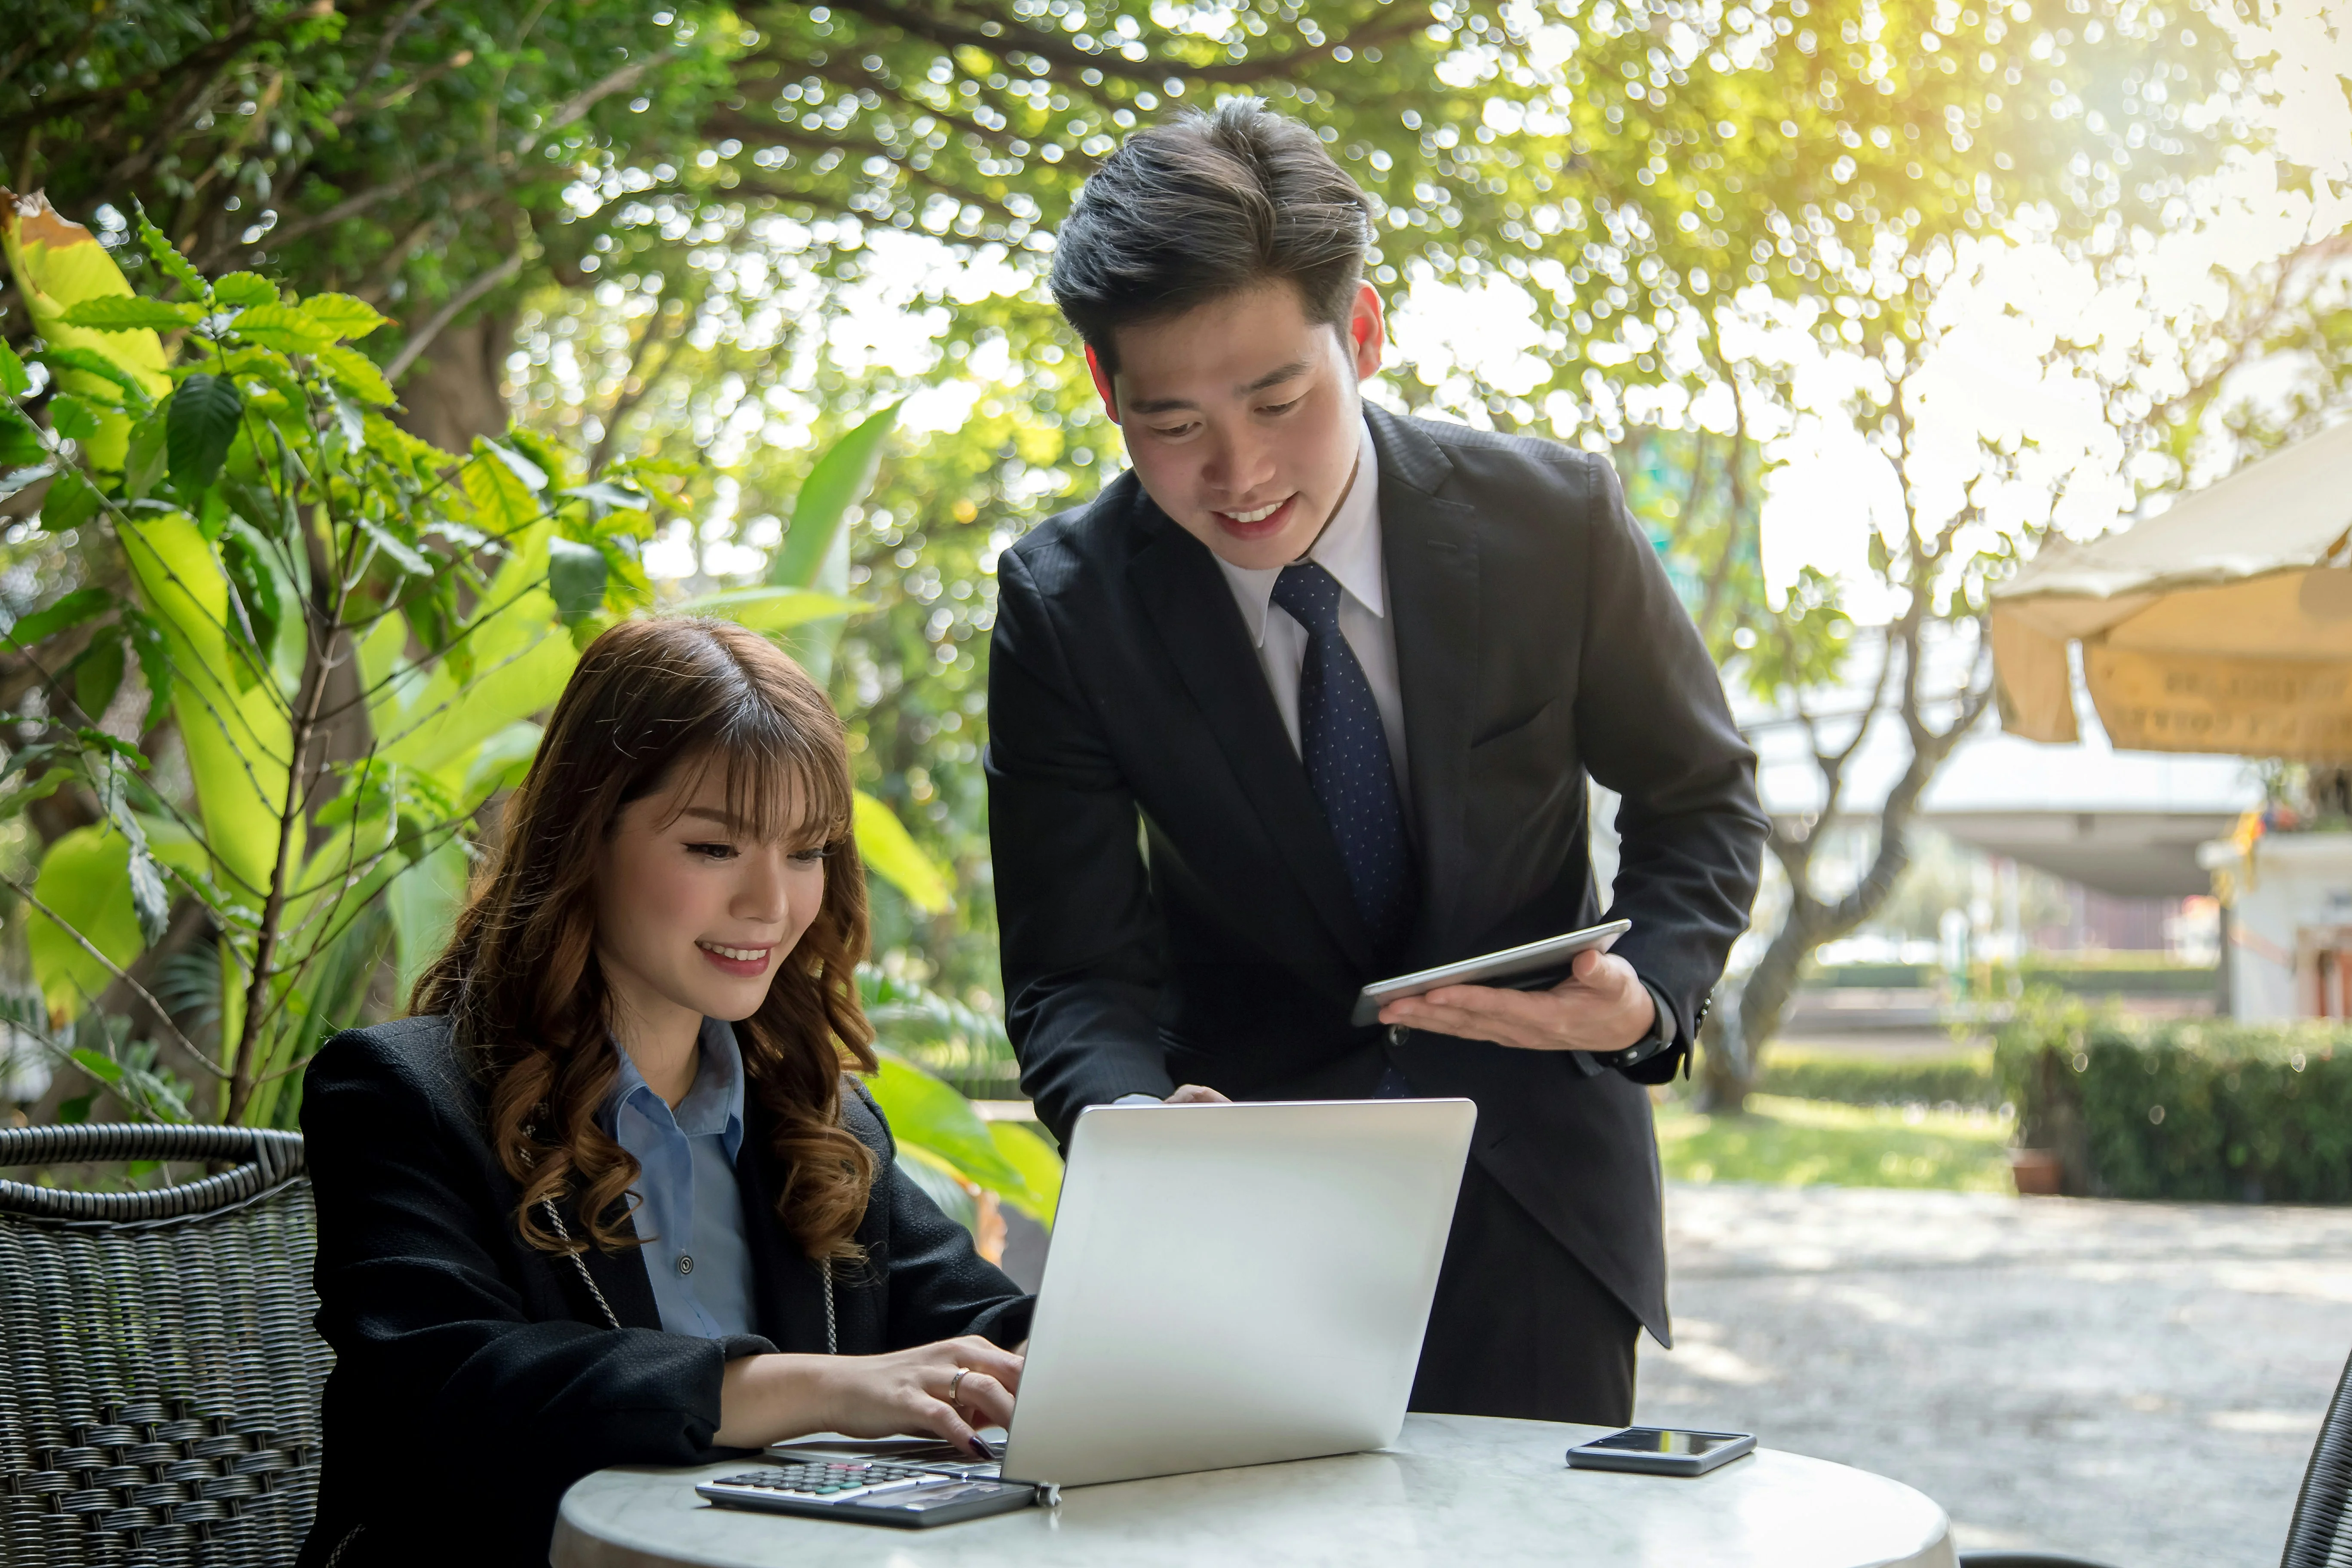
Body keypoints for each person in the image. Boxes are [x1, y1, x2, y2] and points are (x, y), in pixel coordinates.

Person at [986, 100, 1768, 1426]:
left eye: (1279, 401)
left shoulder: (1550, 521)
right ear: (1104, 387)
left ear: (1361, 336)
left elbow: (1700, 796)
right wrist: (1137, 1123)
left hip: (1539, 1202)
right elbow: (1073, 970)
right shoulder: (1066, 606)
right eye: (1171, 424)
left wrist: (1648, 1001)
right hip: (1239, 1210)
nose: (1236, 473)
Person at [297, 618, 1030, 1568]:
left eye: (806, 852)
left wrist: (1155, 1304)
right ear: (584, 836)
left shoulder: (819, 1125)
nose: (772, 905)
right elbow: (451, 1388)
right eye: (715, 848)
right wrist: (808, 1387)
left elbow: (982, 1332)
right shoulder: (404, 1093)